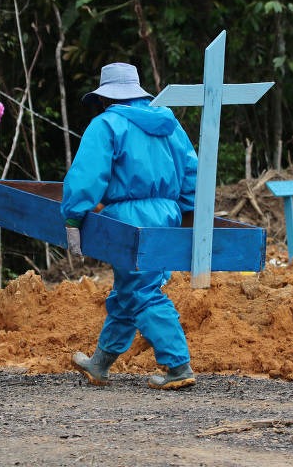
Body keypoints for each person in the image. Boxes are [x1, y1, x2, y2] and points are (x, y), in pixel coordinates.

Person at [61, 62, 199, 390]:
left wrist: (73, 217)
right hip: (167, 214)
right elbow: (192, 170)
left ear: (105, 98)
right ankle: (100, 363)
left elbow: (87, 176)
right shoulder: (169, 124)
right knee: (129, 289)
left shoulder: (106, 125)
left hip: (127, 217)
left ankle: (178, 365)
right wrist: (186, 211)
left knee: (142, 289)